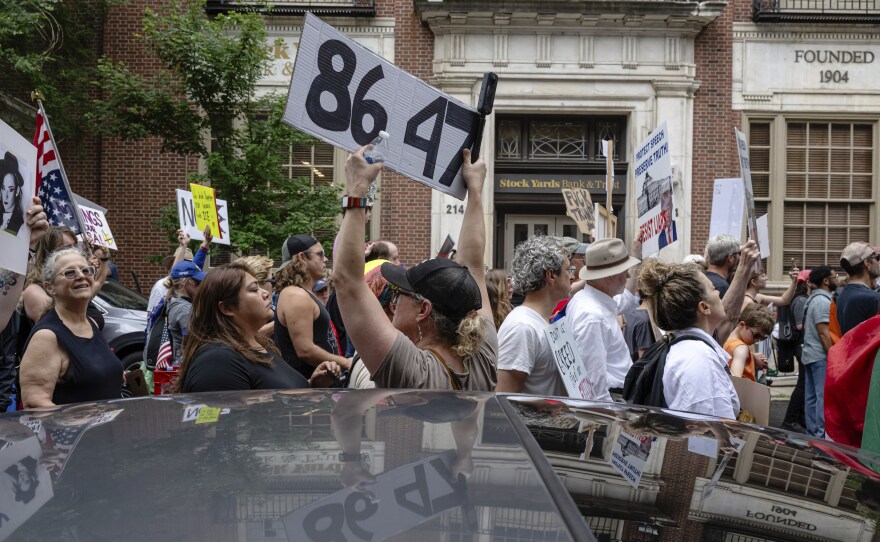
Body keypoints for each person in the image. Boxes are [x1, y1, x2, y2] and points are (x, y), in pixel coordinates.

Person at [333, 147, 496, 391]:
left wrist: (357, 189)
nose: (393, 303)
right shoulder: (483, 354)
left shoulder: (414, 372)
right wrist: (474, 189)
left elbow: (347, 282)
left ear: (424, 310)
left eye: (399, 293)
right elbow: (473, 265)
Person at [174, 262, 340, 393]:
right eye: (254, 290)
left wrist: (311, 384)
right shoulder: (216, 361)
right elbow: (221, 430)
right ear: (227, 308)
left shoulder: (262, 345)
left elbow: (275, 396)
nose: (266, 293)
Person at [19, 248, 122, 407]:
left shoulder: (91, 324)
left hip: (111, 430)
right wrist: (81, 424)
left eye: (86, 270)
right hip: (76, 431)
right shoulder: (47, 337)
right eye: (70, 273)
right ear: (50, 287)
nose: (81, 276)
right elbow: (35, 403)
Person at [639, 259, 739, 418]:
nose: (718, 292)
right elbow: (709, 432)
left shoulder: (687, 349)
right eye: (713, 289)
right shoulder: (699, 359)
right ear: (704, 307)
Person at [567, 237, 642, 401]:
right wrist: (612, 421)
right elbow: (593, 388)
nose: (628, 275)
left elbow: (626, 300)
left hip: (616, 399)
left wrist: (637, 255)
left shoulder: (593, 300)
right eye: (624, 271)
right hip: (613, 402)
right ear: (609, 276)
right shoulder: (592, 316)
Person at [497, 235, 570, 395]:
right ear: (551, 275)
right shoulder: (523, 327)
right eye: (568, 270)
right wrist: (549, 405)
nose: (571, 276)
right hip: (531, 421)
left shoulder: (539, 321)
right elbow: (504, 398)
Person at [274, 234, 349, 379]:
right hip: (305, 393)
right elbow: (305, 350)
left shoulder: (303, 293)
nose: (325, 260)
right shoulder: (295, 295)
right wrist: (345, 362)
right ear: (302, 257)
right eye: (320, 255)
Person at [802, 266, 837, 437]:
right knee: (821, 397)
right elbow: (824, 332)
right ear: (826, 281)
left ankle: (812, 434)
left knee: (811, 397)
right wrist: (833, 356)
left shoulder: (812, 299)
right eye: (834, 276)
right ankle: (821, 436)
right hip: (820, 356)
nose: (836, 279)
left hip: (809, 355)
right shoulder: (824, 301)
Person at [779, 270, 810, 433]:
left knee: (805, 385)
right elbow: (799, 325)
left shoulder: (802, 299)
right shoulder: (800, 300)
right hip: (801, 346)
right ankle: (789, 421)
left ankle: (800, 419)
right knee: (802, 385)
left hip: (802, 346)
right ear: (805, 283)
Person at [166, 260, 206, 366]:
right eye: (199, 282)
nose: (202, 287)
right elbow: (197, 341)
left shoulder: (173, 301)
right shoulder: (185, 310)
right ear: (189, 282)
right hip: (187, 364)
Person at [836, 241, 880, 335]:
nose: (878, 262)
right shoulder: (872, 298)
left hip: (850, 349)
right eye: (877, 258)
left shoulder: (842, 295)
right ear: (867, 263)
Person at [723, 303, 774, 381]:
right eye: (756, 335)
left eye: (762, 338)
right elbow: (736, 381)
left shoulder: (724, 339)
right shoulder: (741, 349)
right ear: (742, 325)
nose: (757, 340)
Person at [0, 153, 25, 236]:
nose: (5, 196)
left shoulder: (21, 225)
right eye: (3, 188)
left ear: (17, 191)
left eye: (11, 189)